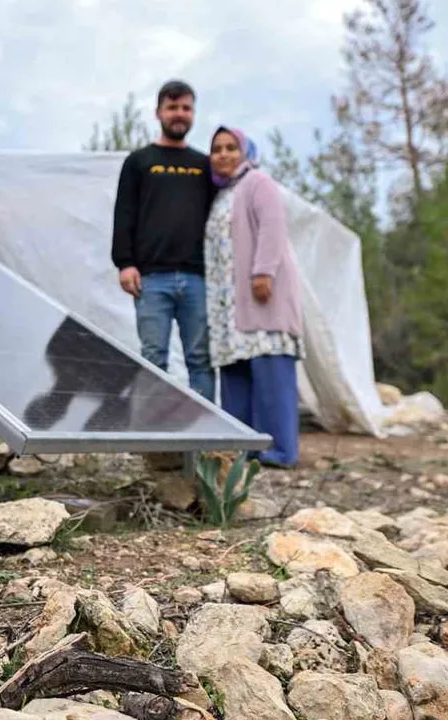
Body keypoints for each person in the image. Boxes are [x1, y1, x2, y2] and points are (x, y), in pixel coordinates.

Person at [203, 127, 303, 468]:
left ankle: (279, 450)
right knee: (236, 373)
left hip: (260, 295)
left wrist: (263, 272)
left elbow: (273, 226)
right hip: (228, 306)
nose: (224, 154)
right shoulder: (222, 193)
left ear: (245, 152)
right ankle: (242, 448)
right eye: (217, 149)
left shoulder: (257, 182)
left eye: (232, 147)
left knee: (271, 372)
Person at [110, 79, 215, 404]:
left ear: (193, 114)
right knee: (153, 359)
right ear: (159, 112)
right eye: (172, 108)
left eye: (186, 108)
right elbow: (124, 213)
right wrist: (125, 263)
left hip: (198, 278)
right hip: (151, 279)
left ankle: (205, 437)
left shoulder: (204, 165)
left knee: (201, 359)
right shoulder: (140, 161)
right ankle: (155, 439)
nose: (179, 114)